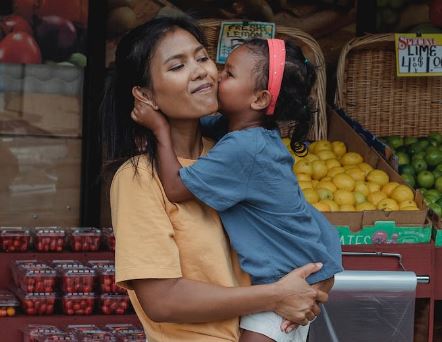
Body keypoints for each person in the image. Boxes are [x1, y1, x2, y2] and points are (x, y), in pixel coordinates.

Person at [101, 16, 328, 342]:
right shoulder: (139, 179)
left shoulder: (236, 156)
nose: (201, 72)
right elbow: (162, 301)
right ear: (146, 96)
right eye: (177, 66)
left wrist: (317, 284)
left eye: (202, 57)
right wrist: (276, 296)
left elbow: (302, 227)